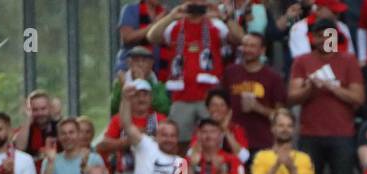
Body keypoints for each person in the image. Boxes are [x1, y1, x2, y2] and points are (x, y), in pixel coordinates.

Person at [288, 17, 365, 174]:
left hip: (342, 134)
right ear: (312, 38)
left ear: (336, 37)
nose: (324, 40)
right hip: (310, 134)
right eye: (320, 36)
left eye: (329, 36)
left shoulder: (348, 61)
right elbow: (291, 97)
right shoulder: (302, 61)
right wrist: (310, 88)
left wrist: (332, 87)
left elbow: (359, 98)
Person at [146, 3, 242, 142]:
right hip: (181, 97)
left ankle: (205, 164)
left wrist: (224, 18)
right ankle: (182, 165)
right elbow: (151, 37)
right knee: (177, 143)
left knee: (212, 141)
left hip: (209, 98)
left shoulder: (215, 24)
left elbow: (241, 39)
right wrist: (172, 16)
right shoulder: (175, 25)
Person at [220, 32, 285, 153]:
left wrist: (258, 108)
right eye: (245, 45)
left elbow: (281, 116)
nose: (247, 49)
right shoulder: (230, 72)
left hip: (262, 142)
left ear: (262, 50)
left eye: (252, 46)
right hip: (233, 141)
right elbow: (221, 102)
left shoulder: (273, 77)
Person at [110, 45, 172, 117]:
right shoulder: (121, 81)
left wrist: (143, 83)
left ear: (151, 64)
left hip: (150, 122)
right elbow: (112, 108)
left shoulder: (157, 84)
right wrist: (124, 86)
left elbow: (165, 109)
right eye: (136, 61)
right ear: (129, 63)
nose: (140, 64)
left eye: (144, 61)